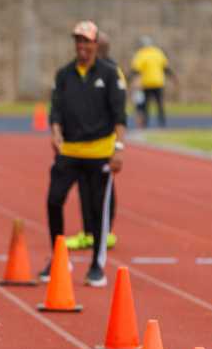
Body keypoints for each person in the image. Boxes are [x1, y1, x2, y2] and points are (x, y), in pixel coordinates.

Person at [43, 20, 126, 287]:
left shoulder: (110, 74)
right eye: (78, 41)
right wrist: (55, 132)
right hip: (69, 151)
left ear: (95, 44)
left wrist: (119, 149)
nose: (81, 46)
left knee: (96, 211)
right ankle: (59, 256)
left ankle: (96, 265)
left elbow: (119, 115)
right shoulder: (64, 74)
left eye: (86, 41)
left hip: (100, 152)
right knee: (54, 200)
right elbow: (55, 111)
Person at [65, 30, 123, 251]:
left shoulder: (111, 73)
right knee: (85, 188)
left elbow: (116, 110)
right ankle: (90, 233)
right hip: (84, 145)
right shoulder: (88, 70)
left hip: (103, 143)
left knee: (102, 190)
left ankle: (103, 232)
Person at [130, 36, 177, 128]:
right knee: (159, 104)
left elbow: (135, 70)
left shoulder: (141, 54)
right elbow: (166, 68)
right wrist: (173, 77)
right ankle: (162, 123)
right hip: (158, 82)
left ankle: (146, 124)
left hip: (146, 83)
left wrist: (128, 80)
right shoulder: (158, 53)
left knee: (146, 105)